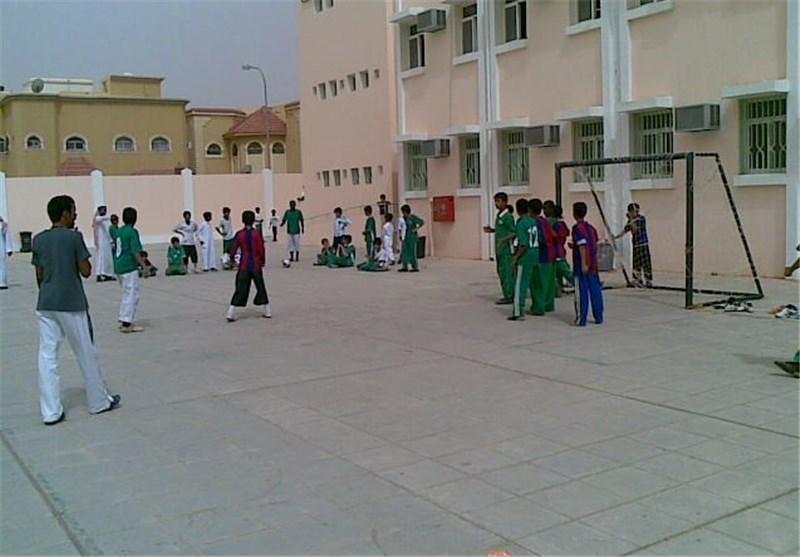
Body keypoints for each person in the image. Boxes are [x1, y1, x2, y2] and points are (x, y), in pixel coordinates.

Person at [31, 195, 121, 425]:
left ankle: (50, 411)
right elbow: (86, 270)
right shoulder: (74, 237)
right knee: (85, 352)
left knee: (47, 355)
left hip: (46, 303)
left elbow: (39, 275)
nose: (76, 215)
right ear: (64, 214)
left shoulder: (38, 240)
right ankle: (98, 401)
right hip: (71, 303)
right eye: (73, 210)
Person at [226, 210, 271, 321]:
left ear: (243, 220)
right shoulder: (256, 234)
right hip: (255, 264)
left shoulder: (240, 234)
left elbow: (234, 248)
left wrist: (231, 258)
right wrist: (262, 260)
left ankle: (231, 312)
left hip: (244, 265)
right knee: (260, 287)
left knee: (240, 288)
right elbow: (261, 249)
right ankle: (268, 310)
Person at [114, 207, 152, 333]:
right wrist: (144, 266)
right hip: (128, 266)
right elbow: (136, 251)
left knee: (126, 293)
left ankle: (124, 318)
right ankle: (127, 323)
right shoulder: (132, 232)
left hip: (119, 265)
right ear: (135, 218)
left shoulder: (119, 231)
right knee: (132, 294)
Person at [572, 201, 604, 326]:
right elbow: (593, 244)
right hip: (593, 263)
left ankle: (581, 318)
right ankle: (598, 316)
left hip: (582, 264)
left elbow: (582, 246)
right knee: (595, 289)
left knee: (581, 291)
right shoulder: (591, 228)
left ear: (574, 213)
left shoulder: (577, 228)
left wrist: (584, 263)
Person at [483, 192, 516, 305]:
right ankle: (506, 294)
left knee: (507, 273)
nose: (496, 204)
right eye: (495, 201)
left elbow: (514, 232)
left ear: (505, 202)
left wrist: (503, 240)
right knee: (501, 272)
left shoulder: (508, 217)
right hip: (499, 250)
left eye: (499, 201)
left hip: (506, 250)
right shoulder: (499, 215)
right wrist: (492, 230)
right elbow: (502, 230)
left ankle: (510, 295)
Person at [509, 198, 538, 321]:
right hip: (534, 254)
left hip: (525, 257)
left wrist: (516, 257)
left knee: (520, 284)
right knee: (529, 282)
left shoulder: (521, 223)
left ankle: (518, 311)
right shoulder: (533, 221)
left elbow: (524, 244)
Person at [529, 198, 557, 315]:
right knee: (550, 282)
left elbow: (541, 238)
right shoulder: (545, 221)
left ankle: (539, 307)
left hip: (542, 255)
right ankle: (549, 305)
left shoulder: (534, 222)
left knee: (539, 284)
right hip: (551, 254)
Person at [615, 202, 652, 287]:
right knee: (636, 263)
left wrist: (631, 220)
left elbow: (635, 229)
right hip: (636, 245)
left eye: (636, 211)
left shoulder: (641, 219)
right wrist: (616, 237)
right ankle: (638, 279)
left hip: (643, 244)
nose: (635, 213)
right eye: (633, 211)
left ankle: (648, 280)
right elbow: (625, 231)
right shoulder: (630, 221)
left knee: (646, 263)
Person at [553, 205, 575, 294]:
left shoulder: (555, 224)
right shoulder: (562, 224)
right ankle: (559, 288)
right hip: (560, 250)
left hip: (557, 251)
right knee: (559, 272)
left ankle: (578, 284)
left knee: (565, 271)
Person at [92, 206, 116, 282]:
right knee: (101, 259)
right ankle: (99, 274)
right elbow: (98, 219)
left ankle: (107, 274)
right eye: (102, 210)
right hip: (101, 243)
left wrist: (111, 241)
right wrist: (110, 217)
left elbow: (108, 231)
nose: (104, 211)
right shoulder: (99, 219)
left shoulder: (106, 220)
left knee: (108, 259)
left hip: (107, 242)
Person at [398, 205, 424, 273]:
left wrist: (416, 229)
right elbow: (400, 227)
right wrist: (400, 235)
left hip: (412, 237)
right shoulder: (403, 219)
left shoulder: (413, 218)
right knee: (404, 252)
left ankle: (414, 266)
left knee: (412, 252)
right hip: (405, 237)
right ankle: (404, 266)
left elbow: (421, 222)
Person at [0, 215, 10, 290]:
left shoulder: (2, 224)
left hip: (1, 248)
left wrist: (8, 248)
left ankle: (2, 282)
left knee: (1, 265)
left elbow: (6, 235)